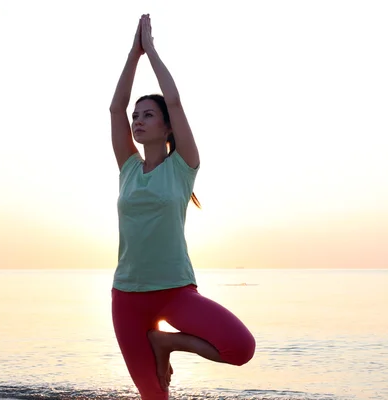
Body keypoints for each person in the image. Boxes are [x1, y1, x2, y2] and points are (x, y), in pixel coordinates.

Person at [109, 14, 256, 399]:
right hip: (126, 295)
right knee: (153, 395)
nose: (137, 121)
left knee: (240, 349)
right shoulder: (127, 167)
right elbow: (114, 109)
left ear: (167, 126)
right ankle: (158, 345)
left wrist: (151, 51)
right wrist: (132, 53)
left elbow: (173, 100)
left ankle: (166, 342)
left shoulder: (182, 166)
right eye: (136, 116)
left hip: (175, 289)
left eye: (148, 115)